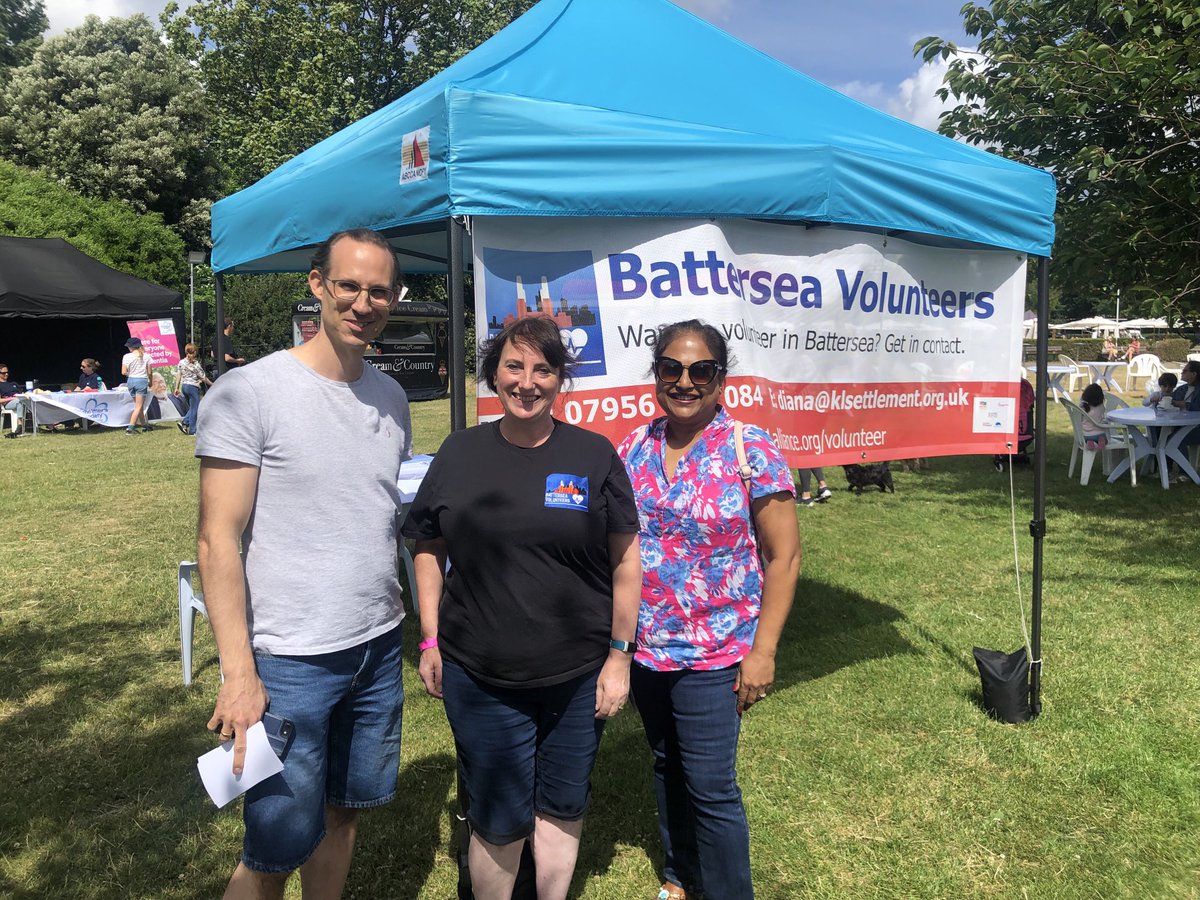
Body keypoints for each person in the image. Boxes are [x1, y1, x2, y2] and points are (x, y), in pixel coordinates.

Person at [195, 228, 413, 900]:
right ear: (317, 285)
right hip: (290, 662)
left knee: (344, 813)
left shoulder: (393, 399)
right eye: (348, 285)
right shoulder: (249, 391)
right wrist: (239, 675)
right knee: (274, 847)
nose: (362, 302)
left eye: (378, 290)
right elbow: (216, 541)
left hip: (377, 647)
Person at [402, 315, 642, 900]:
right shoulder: (460, 453)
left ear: (561, 378)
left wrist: (619, 657)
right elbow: (428, 545)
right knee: (498, 815)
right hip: (481, 675)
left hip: (577, 674)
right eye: (514, 366)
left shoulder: (593, 455)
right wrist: (430, 639)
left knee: (562, 806)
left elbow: (627, 560)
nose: (527, 381)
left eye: (543, 368)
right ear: (494, 373)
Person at [617, 320, 801, 900]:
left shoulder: (750, 448)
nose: (685, 381)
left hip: (719, 651)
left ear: (721, 378)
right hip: (648, 650)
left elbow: (785, 556)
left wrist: (764, 651)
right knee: (667, 763)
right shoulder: (633, 448)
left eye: (701, 370)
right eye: (671, 368)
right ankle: (681, 875)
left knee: (712, 785)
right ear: (656, 374)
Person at [174, 343, 212, 435]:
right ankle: (192, 430)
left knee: (192, 407)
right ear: (194, 352)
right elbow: (203, 377)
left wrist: (176, 387)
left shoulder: (181, 362)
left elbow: (179, 375)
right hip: (193, 387)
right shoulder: (196, 364)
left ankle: (185, 422)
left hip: (184, 387)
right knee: (195, 408)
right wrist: (212, 384)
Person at [121, 337, 152, 435]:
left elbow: (123, 372)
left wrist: (131, 373)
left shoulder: (126, 356)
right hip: (141, 381)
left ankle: (144, 426)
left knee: (139, 405)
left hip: (131, 381)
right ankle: (130, 428)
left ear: (131, 347)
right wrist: (150, 381)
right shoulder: (146, 356)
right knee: (138, 406)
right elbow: (150, 372)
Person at [1079, 383, 1109, 450]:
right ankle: (1101, 440)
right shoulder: (1101, 406)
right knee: (1105, 439)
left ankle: (1089, 442)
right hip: (1100, 433)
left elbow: (1079, 419)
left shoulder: (1083, 407)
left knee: (1087, 437)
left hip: (1086, 434)